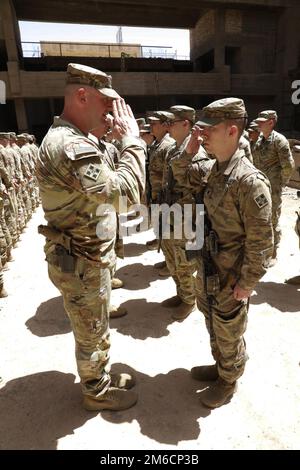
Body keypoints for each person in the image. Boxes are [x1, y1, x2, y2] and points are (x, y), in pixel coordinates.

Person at [36, 63, 146, 411]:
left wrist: (108, 140)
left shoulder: (76, 140)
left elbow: (96, 184)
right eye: (105, 102)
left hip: (81, 256)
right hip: (82, 261)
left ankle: (98, 377)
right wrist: (134, 143)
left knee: (93, 325)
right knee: (92, 332)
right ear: (82, 96)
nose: (111, 110)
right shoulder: (71, 147)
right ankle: (96, 391)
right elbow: (126, 196)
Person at [181, 98, 273, 408]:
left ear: (232, 130)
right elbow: (180, 171)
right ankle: (220, 366)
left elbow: (261, 244)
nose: (203, 134)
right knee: (212, 323)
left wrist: (246, 285)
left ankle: (229, 379)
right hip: (208, 268)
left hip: (231, 276)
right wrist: (192, 143)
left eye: (209, 129)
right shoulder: (213, 169)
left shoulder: (250, 182)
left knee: (229, 330)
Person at [252, 110, 294, 266]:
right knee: (260, 217)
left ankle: (273, 252)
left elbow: (288, 166)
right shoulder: (260, 140)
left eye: (262, 121)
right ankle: (262, 249)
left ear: (271, 122)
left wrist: (280, 184)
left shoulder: (279, 140)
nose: (259, 123)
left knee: (273, 218)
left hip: (273, 188)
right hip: (260, 188)